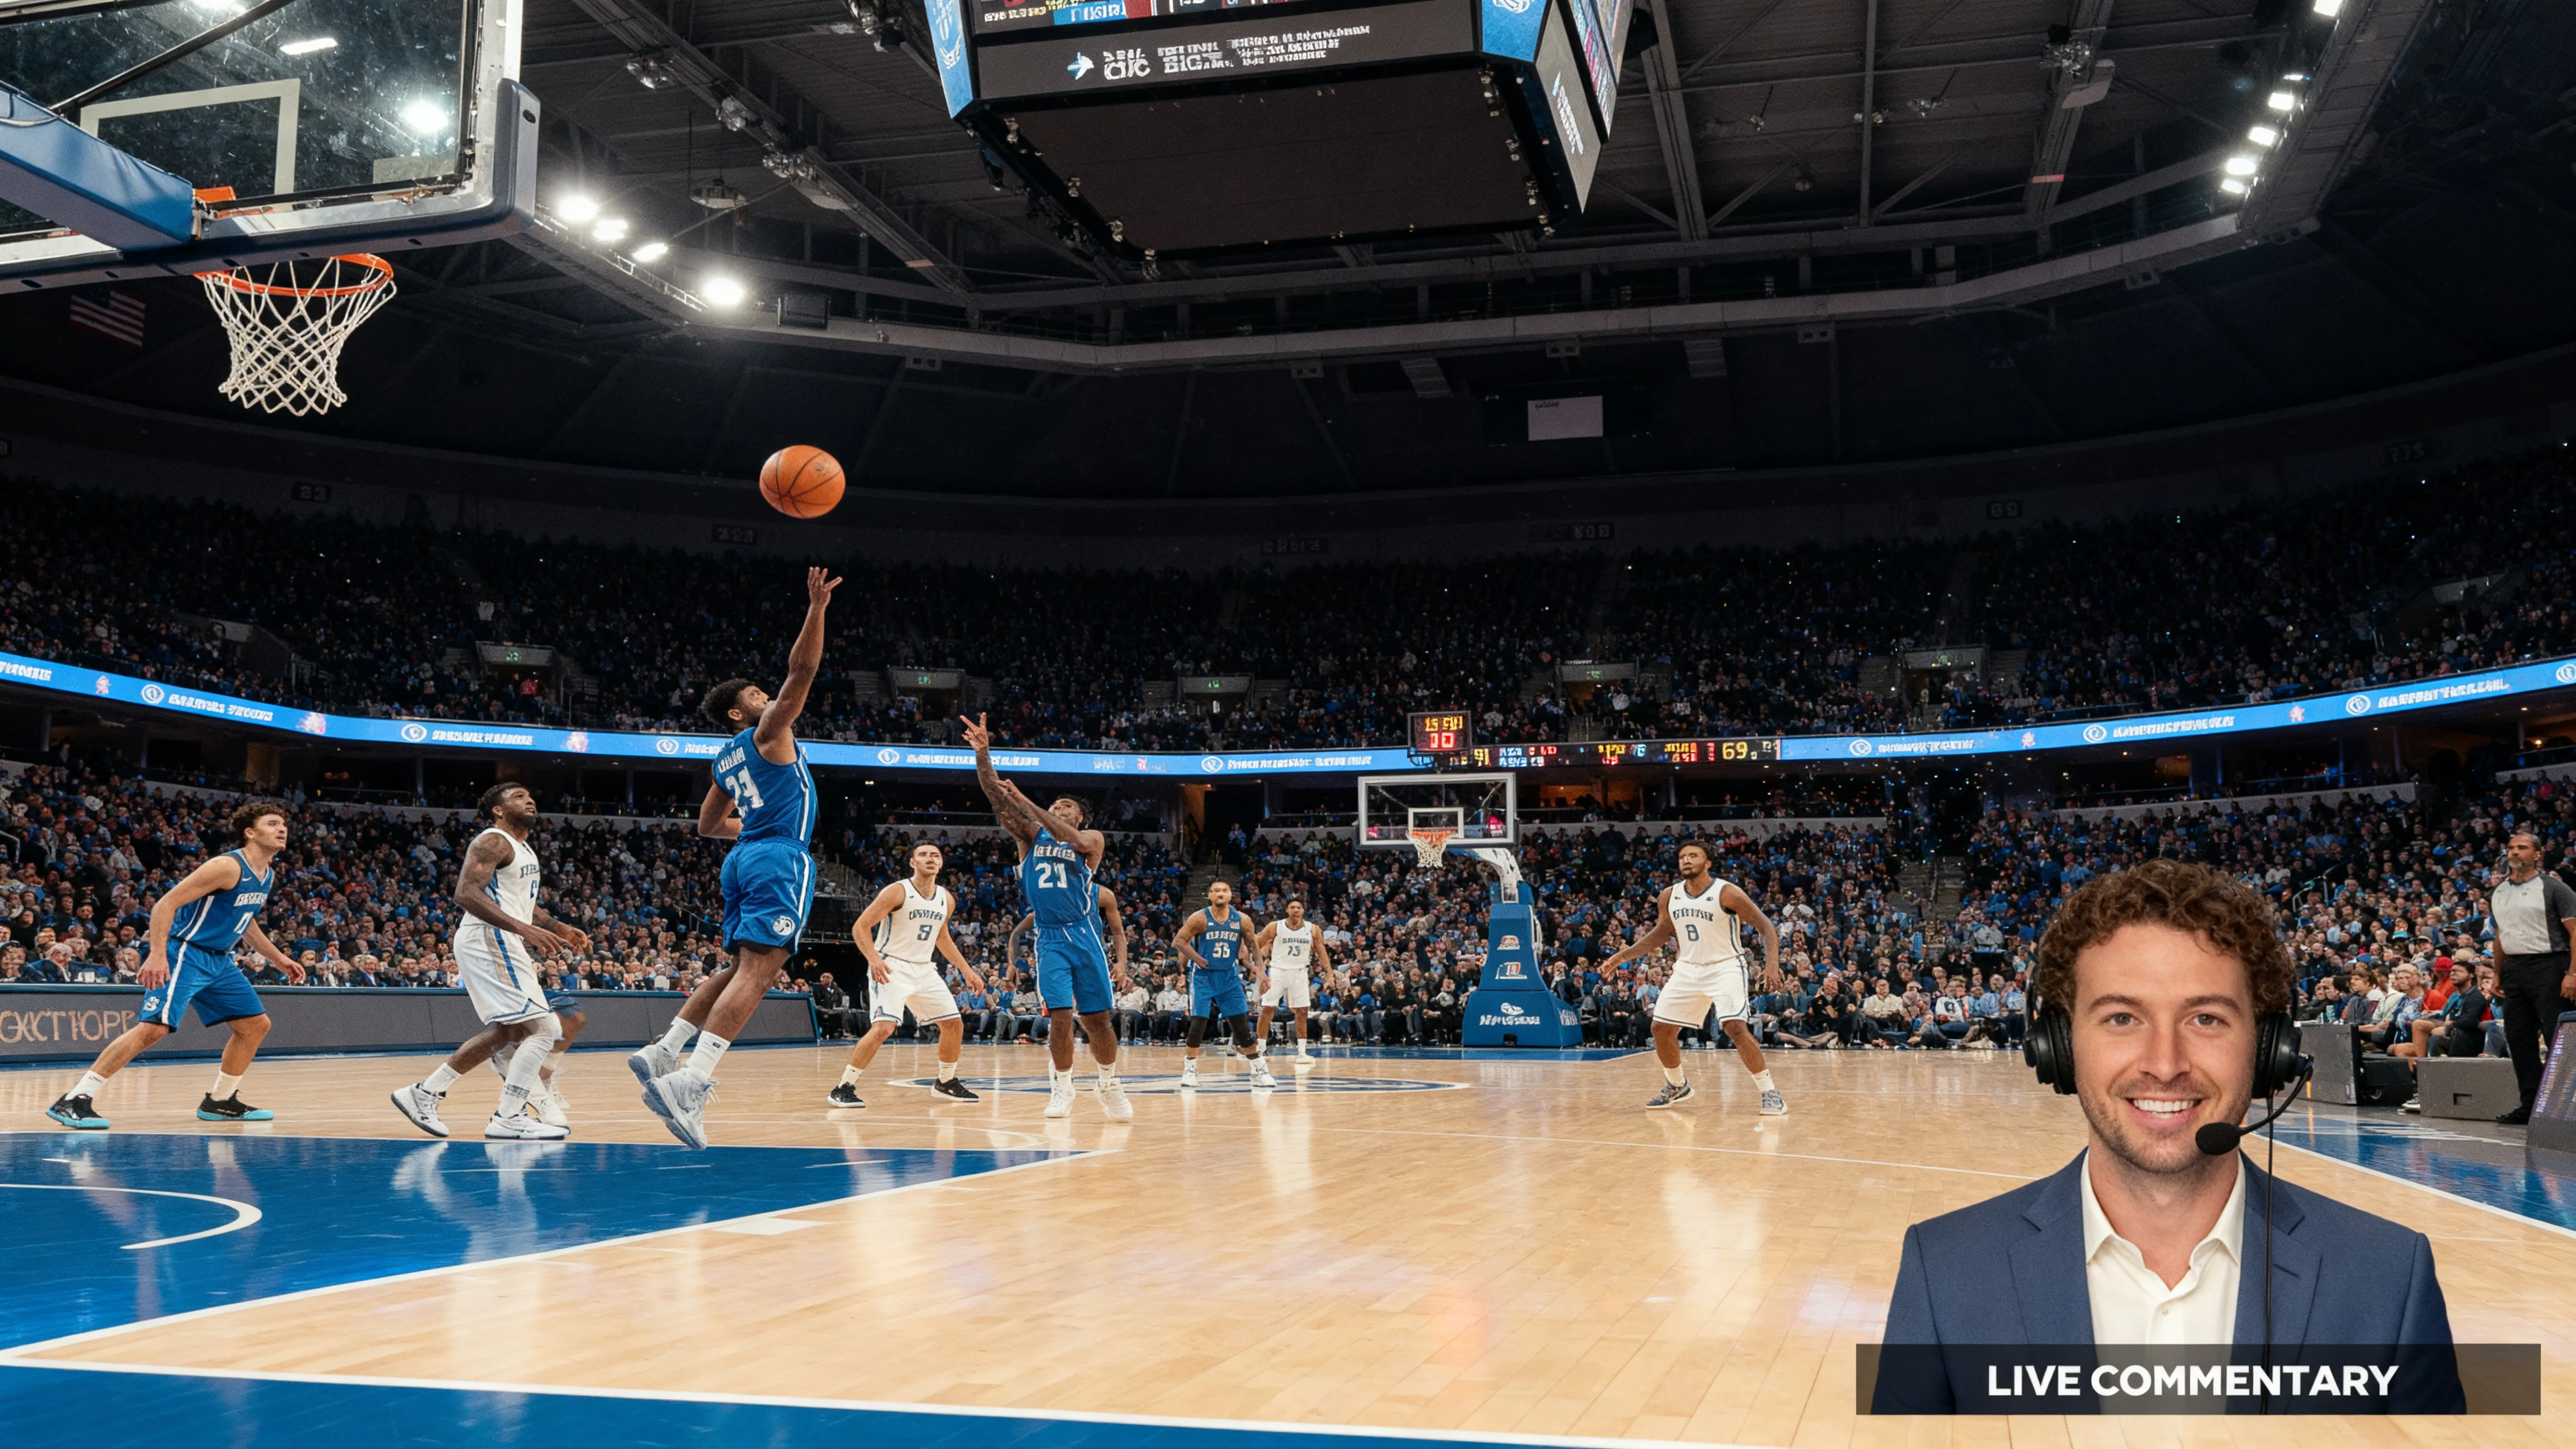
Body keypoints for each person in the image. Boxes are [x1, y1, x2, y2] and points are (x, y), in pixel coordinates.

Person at [1876, 861, 2461, 1412]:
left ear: (2267, 1050)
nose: (2163, 1063)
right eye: (2121, 1018)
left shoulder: (2388, 1279)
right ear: (2057, 1044)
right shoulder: (1944, 1270)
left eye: (2204, 1018)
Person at [633, 567, 837, 1149]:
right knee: (761, 970)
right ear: (738, 714)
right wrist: (816, 607)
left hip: (743, 858)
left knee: (737, 969)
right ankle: (692, 1080)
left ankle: (664, 1050)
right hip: (777, 856)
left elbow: (706, 825)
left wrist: (753, 829)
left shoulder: (723, 760)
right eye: (754, 695)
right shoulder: (769, 732)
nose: (765, 696)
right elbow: (803, 670)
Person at [47, 800, 305, 1130]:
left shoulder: (266, 875)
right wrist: (156, 955)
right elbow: (165, 904)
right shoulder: (227, 866)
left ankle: (221, 1100)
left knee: (255, 1025)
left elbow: (245, 921)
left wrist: (279, 958)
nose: (281, 829)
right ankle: (74, 1099)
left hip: (219, 960)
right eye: (272, 823)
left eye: (283, 824)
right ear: (250, 832)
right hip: (185, 952)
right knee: (154, 1028)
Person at [390, 782, 588, 1140]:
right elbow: (465, 893)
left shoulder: (522, 847)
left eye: (531, 795)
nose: (529, 800)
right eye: (517, 797)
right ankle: (510, 1115)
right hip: (489, 936)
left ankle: (424, 1093)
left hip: (499, 936)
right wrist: (524, 930)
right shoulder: (492, 840)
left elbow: (520, 902)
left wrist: (556, 925)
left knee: (510, 1031)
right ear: (497, 810)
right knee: (546, 1029)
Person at [962, 712, 1132, 1120]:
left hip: (1085, 936)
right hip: (1051, 936)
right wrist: (984, 754)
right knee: (1058, 1014)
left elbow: (1069, 837)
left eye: (1066, 805)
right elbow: (994, 795)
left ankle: (1108, 1084)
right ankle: (1063, 1088)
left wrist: (1031, 804)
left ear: (1080, 816)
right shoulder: (1028, 836)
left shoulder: (1090, 839)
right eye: (1056, 804)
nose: (1059, 808)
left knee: (1097, 1021)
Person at [1596, 840, 1786, 1114]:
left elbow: (1766, 927)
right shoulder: (1669, 896)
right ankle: (1677, 1086)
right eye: (1683, 856)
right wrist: (1621, 957)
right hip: (1688, 968)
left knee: (1734, 1027)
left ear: (1708, 863)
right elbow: (1662, 934)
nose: (1686, 860)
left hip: (1725, 966)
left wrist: (1772, 964)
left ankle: (1770, 1092)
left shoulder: (1727, 892)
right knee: (1661, 1029)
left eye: (1694, 856)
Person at [830, 841, 986, 1107]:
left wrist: (968, 971)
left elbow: (943, 939)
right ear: (912, 862)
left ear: (941, 863)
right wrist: (874, 959)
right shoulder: (898, 891)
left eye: (935, 855)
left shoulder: (946, 898)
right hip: (892, 966)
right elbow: (861, 927)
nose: (930, 858)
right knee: (884, 1028)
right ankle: (844, 1087)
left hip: (924, 968)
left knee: (953, 1024)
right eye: (923, 855)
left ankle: (945, 1082)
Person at [2485, 830, 2576, 1125]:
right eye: (2511, 847)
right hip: (2515, 968)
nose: (2514, 852)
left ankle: (2565, 1108)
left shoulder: (2554, 888)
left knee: (2557, 1038)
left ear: (2538, 854)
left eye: (2522, 847)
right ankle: (2531, 1105)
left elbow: (2575, 932)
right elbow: (2501, 936)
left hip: (2551, 966)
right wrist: (2498, 974)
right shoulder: (2499, 892)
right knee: (2519, 1039)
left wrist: (2573, 974)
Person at [1170, 880, 1276, 1091]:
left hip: (1229, 977)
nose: (1221, 893)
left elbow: (1254, 947)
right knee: (1198, 1022)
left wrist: (1262, 973)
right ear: (1210, 895)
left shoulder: (1242, 920)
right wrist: (1197, 958)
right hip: (1203, 977)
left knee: (1241, 1026)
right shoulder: (1199, 918)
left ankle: (1259, 1068)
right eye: (1216, 891)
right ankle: (1189, 1069)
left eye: (1225, 890)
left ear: (1231, 895)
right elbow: (1179, 942)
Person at [1255, 896, 1329, 1061]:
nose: (1296, 910)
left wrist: (1329, 972)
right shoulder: (1276, 926)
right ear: (1287, 910)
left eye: (1299, 908)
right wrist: (1258, 969)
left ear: (1304, 911)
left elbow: (1321, 950)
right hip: (1277, 971)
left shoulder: (1313, 929)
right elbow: (1257, 944)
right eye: (1293, 907)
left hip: (1300, 972)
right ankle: (1260, 1049)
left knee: (1303, 1011)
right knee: (1268, 1008)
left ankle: (1302, 1053)